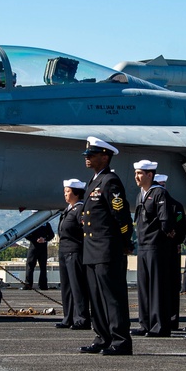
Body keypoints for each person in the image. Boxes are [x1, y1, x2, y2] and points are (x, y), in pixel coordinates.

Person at [78, 136, 134, 356]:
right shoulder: (94, 181)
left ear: (105, 156)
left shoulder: (110, 181)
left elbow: (121, 216)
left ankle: (121, 341)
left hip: (107, 248)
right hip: (92, 249)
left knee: (112, 297)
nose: (87, 158)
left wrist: (124, 242)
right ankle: (102, 337)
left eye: (92, 155)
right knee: (96, 297)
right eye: (87, 155)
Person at [132, 160, 186, 337]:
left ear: (150, 175)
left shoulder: (159, 194)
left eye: (140, 173)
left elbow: (166, 220)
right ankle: (145, 323)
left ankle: (159, 326)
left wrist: (168, 234)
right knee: (144, 287)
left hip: (156, 246)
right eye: (136, 173)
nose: (136, 177)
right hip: (144, 245)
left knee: (157, 287)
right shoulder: (141, 194)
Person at [56, 179, 90, 330]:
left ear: (76, 193)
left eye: (68, 191)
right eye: (64, 191)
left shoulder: (80, 209)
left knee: (77, 286)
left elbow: (86, 231)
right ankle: (68, 317)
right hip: (64, 251)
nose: (65, 194)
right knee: (67, 287)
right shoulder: (68, 210)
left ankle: (81, 318)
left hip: (75, 252)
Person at [22, 222, 55, 290]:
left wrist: (36, 239)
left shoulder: (33, 223)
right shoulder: (46, 224)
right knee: (41, 267)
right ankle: (43, 285)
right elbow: (51, 235)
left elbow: (26, 234)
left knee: (31, 266)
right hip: (42, 247)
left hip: (34, 247)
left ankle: (29, 284)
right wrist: (44, 239)